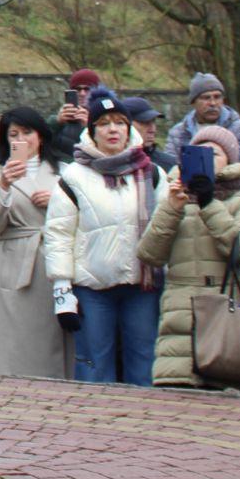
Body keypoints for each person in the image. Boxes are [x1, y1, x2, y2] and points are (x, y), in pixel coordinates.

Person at [45, 87, 161, 385]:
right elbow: (58, 234)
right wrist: (62, 292)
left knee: (143, 361)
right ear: (92, 130)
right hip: (93, 287)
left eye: (120, 122)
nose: (113, 129)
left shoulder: (152, 174)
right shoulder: (74, 177)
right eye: (104, 123)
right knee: (94, 364)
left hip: (142, 286)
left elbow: (167, 226)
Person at [135, 124, 240, 387]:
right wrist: (171, 209)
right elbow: (149, 254)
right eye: (199, 153)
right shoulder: (174, 198)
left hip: (227, 315)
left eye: (214, 154)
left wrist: (209, 204)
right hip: (179, 322)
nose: (207, 158)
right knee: (177, 404)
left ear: (230, 160)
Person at [0, 108, 75, 379]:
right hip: (13, 264)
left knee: (51, 341)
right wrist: (4, 185)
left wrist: (57, 201)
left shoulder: (65, 173)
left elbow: (86, 211)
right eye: (13, 134)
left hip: (54, 261)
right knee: (11, 347)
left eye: (27, 132)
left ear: (40, 136)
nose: (21, 139)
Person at [164, 73, 240, 160]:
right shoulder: (178, 133)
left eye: (217, 97)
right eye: (206, 98)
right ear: (193, 102)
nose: (213, 103)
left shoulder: (239, 128)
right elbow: (170, 165)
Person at [122, 98, 177, 171]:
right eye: (145, 122)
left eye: (153, 121)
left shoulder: (169, 165)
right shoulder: (108, 164)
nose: (153, 129)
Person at [54, 68, 103, 148]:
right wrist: (56, 123)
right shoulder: (61, 117)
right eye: (77, 89)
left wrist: (90, 127)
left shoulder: (105, 115)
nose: (82, 93)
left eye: (87, 89)